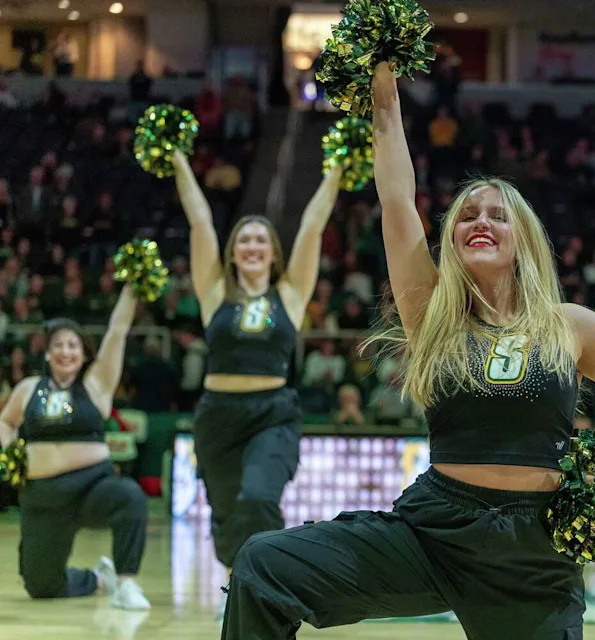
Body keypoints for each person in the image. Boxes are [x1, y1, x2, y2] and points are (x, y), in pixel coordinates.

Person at [220, 61, 595, 640]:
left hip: (534, 547)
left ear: (523, 240)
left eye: (497, 215)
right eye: (467, 215)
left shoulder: (571, 325)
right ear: (452, 239)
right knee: (264, 566)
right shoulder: (433, 315)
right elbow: (396, 199)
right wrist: (384, 91)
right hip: (434, 531)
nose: (479, 222)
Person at [171, 150, 342, 616]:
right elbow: (199, 221)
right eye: (243, 239)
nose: (251, 246)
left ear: (273, 252)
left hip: (272, 415)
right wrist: (179, 159)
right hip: (217, 417)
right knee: (227, 511)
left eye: (260, 240)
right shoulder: (214, 292)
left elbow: (312, 226)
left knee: (259, 497)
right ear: (232, 251)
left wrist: (337, 169)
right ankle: (239, 584)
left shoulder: (290, 293)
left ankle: (267, 581)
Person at [0, 286, 150, 609]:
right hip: (41, 497)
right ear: (46, 353)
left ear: (83, 354)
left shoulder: (96, 385)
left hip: (91, 489)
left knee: (130, 497)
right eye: (58, 345)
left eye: (72, 345)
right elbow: (5, 421)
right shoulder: (28, 388)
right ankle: (99, 578)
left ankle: (126, 582)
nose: (65, 351)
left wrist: (130, 289)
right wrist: (11, 452)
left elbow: (117, 332)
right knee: (41, 587)